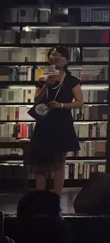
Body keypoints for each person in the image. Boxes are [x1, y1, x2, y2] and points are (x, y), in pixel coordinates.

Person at [27, 46, 83, 195]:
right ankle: (40, 197)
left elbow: (80, 102)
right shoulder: (42, 79)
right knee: (42, 163)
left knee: (59, 161)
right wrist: (46, 84)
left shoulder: (72, 81)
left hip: (62, 122)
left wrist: (61, 105)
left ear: (66, 60)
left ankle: (56, 197)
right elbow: (36, 100)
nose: (56, 58)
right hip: (45, 122)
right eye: (53, 55)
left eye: (59, 55)